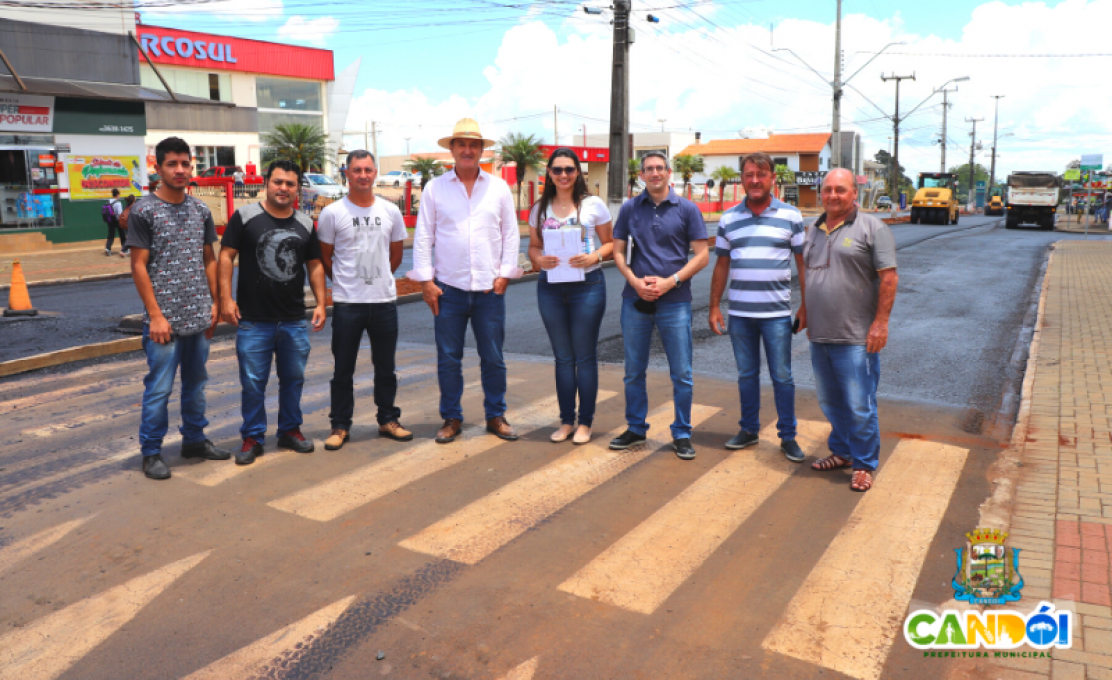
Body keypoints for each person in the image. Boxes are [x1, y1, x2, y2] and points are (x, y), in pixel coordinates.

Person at [408, 118, 522, 444]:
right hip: (449, 290)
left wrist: (505, 275)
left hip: (489, 290)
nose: (468, 150)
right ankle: (451, 418)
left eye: (474, 145)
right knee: (448, 358)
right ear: (453, 150)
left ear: (482, 150)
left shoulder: (498, 187)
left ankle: (496, 415)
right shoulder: (435, 188)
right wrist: (426, 282)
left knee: (494, 358)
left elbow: (510, 235)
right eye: (462, 144)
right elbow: (423, 237)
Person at [127, 136, 230, 480]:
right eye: (172, 164)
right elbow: (138, 266)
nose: (180, 170)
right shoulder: (144, 211)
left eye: (186, 163)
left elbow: (209, 259)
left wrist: (214, 303)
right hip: (163, 323)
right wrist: (155, 315)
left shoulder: (200, 210)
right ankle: (152, 451)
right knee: (159, 387)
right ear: (158, 168)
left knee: (197, 384)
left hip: (199, 317)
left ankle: (195, 440)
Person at [218, 160, 327, 465]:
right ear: (266, 183)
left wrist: (320, 302)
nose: (283, 188)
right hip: (253, 321)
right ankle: (252, 437)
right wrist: (225, 299)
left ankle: (290, 430)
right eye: (278, 182)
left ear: (298, 188)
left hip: (293, 320)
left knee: (293, 379)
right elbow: (226, 256)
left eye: (290, 184)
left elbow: (315, 265)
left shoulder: (305, 223)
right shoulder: (245, 217)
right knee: (253, 382)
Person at [802, 168, 898, 493]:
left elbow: (889, 278)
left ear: (854, 193)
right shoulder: (812, 230)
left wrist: (880, 323)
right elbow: (809, 275)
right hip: (820, 335)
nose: (832, 195)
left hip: (857, 337)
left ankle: (863, 464)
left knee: (860, 404)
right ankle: (842, 452)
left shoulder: (873, 228)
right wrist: (804, 310)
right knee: (830, 401)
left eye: (840, 190)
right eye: (827, 189)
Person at [610, 151, 709, 459]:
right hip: (636, 300)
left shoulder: (688, 209)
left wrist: (671, 282)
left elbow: (702, 255)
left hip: (675, 302)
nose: (654, 173)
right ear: (641, 175)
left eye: (659, 168)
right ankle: (636, 429)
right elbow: (617, 252)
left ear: (669, 173)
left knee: (681, 372)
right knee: (633, 371)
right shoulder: (629, 209)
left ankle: (681, 432)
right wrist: (634, 281)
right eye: (648, 169)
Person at [708, 152, 806, 462]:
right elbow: (721, 267)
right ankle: (749, 430)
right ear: (742, 178)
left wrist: (807, 306)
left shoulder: (791, 216)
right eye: (749, 174)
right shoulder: (729, 219)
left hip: (777, 315)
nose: (754, 180)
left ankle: (788, 436)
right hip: (740, 316)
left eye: (761, 175)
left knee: (782, 377)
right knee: (746, 375)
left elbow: (803, 265)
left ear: (772, 179)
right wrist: (713, 307)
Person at [317, 150, 411, 450]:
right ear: (346, 173)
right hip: (348, 304)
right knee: (343, 369)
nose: (363, 175)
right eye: (356, 170)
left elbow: (395, 255)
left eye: (368, 170)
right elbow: (324, 257)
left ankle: (388, 419)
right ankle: (340, 425)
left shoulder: (390, 212)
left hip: (383, 302)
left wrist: (378, 277)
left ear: (375, 173)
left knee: (386, 367)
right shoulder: (333, 213)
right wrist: (346, 282)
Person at [527, 148, 614, 445]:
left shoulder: (593, 205)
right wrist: (539, 260)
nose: (563, 175)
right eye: (557, 170)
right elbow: (534, 248)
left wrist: (594, 258)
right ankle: (566, 421)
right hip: (550, 288)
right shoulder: (539, 209)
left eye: (569, 169)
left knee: (585, 357)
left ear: (578, 172)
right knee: (563, 358)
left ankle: (585, 424)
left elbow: (611, 243)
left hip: (587, 286)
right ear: (548, 174)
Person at [104, 188, 125, 257]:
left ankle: (108, 248)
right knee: (122, 234)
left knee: (111, 234)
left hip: (110, 220)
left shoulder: (108, 201)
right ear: (117, 195)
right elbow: (120, 213)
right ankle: (124, 248)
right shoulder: (118, 203)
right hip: (117, 220)